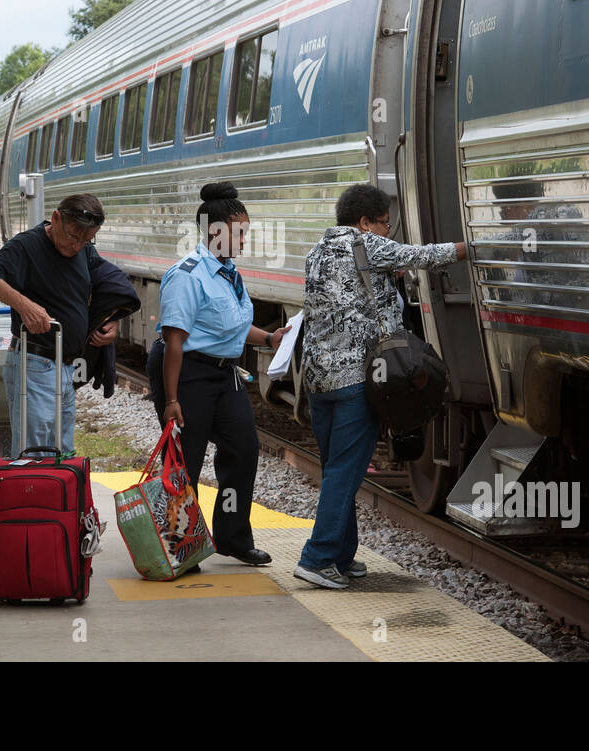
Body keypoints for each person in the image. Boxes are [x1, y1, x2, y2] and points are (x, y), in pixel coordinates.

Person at [294, 184, 466, 589]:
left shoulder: (315, 253)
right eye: (385, 224)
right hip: (357, 381)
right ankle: (316, 559)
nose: (387, 232)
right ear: (365, 222)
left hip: (317, 381)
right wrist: (469, 246)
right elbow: (423, 256)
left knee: (337, 468)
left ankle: (341, 555)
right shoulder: (367, 245)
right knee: (344, 472)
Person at [147, 182, 290, 567]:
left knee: (243, 449)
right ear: (215, 231)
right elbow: (174, 341)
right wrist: (172, 400)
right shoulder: (187, 275)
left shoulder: (228, 273)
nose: (244, 239)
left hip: (225, 376)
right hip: (188, 375)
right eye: (239, 232)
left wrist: (270, 337)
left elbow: (231, 326)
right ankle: (177, 545)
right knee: (185, 461)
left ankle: (232, 539)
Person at [0, 195, 120, 455]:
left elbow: (102, 280)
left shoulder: (83, 247)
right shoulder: (27, 245)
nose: (77, 246)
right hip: (35, 364)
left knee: (62, 452)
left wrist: (111, 319)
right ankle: (33, 496)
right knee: (35, 454)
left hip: (65, 365)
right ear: (56, 218)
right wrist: (23, 304)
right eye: (73, 236)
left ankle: (56, 496)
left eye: (87, 240)